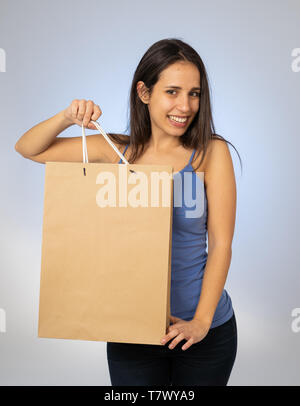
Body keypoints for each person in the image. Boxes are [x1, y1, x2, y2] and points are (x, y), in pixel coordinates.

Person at [15, 38, 242, 386]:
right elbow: (28, 148)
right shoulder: (116, 153)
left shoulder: (211, 153)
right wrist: (67, 116)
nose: (185, 105)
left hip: (204, 332)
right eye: (172, 91)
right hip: (131, 331)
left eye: (194, 93)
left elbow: (222, 245)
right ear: (144, 92)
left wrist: (200, 322)